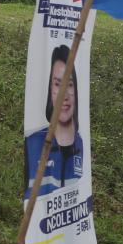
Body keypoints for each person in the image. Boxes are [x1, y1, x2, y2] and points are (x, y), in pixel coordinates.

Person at [24, 45, 84, 195]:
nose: (64, 95)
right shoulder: (32, 144)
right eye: (57, 84)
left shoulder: (81, 144)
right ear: (50, 89)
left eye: (69, 85)